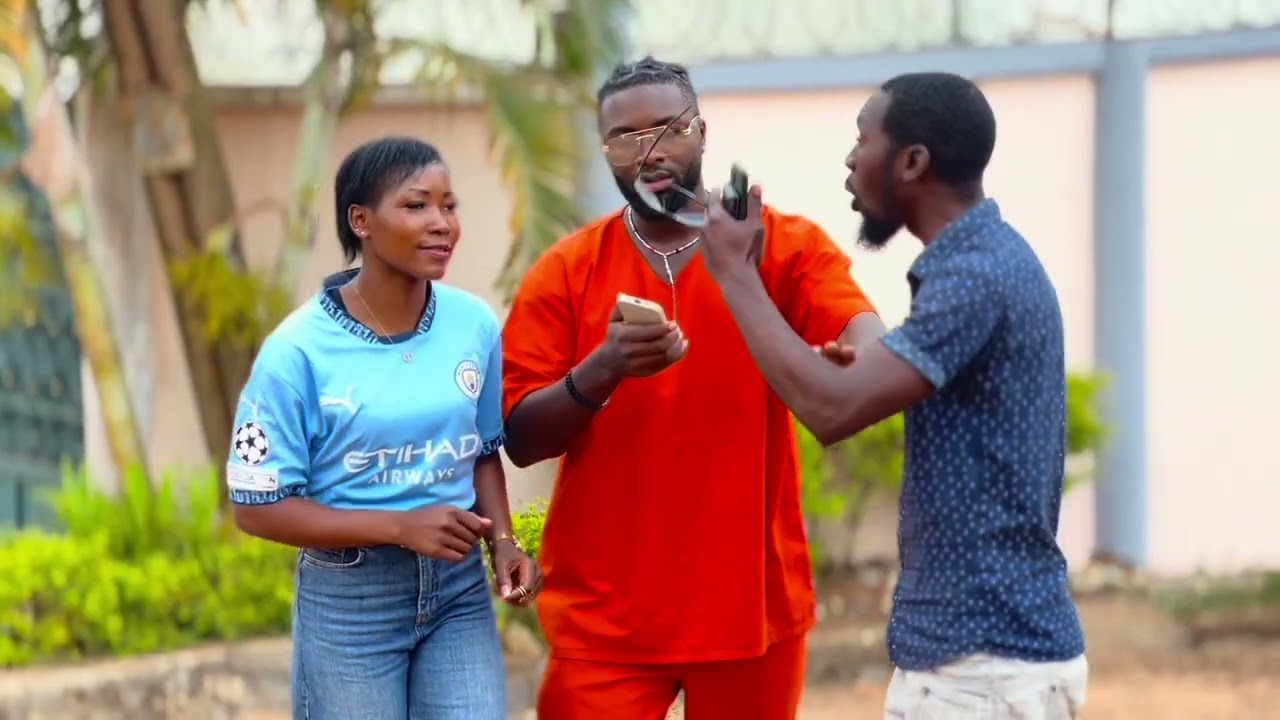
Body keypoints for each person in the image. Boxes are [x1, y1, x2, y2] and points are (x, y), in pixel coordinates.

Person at [500, 57, 885, 719]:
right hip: (605, 621)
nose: (649, 151)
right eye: (626, 137)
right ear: (606, 150)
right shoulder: (567, 270)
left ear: (702, 132)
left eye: (669, 129)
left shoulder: (784, 246)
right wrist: (603, 369)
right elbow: (521, 437)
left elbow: (870, 348)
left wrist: (832, 358)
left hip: (750, 610)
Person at [698, 72, 1089, 718]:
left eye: (862, 139)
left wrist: (736, 275)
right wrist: (839, 367)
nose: (850, 159)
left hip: (985, 668)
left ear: (911, 162)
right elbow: (853, 386)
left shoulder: (975, 276)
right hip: (975, 661)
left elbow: (831, 410)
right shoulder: (980, 261)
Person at [225, 136, 542, 720]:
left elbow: (480, 453)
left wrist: (503, 543)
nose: (442, 223)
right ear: (361, 220)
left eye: (450, 206)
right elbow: (255, 507)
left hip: (458, 592)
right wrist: (399, 526)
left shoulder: (473, 324)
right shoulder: (297, 352)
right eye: (417, 205)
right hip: (350, 601)